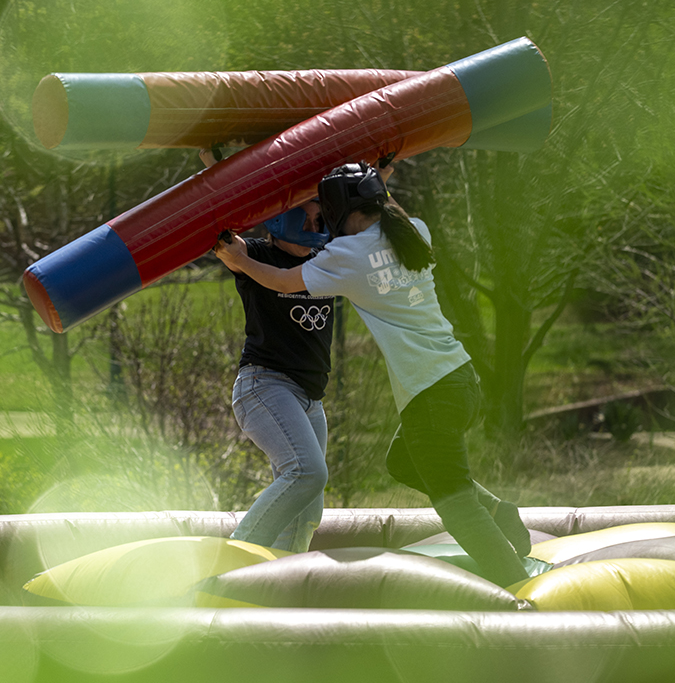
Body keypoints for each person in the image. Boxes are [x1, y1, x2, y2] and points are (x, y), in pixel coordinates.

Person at [215, 162, 531, 587]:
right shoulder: (415, 231)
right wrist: (376, 176)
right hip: (460, 378)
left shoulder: (349, 255)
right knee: (402, 461)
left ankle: (515, 587)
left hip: (429, 395)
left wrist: (238, 259)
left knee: (454, 502)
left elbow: (285, 282)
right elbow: (388, 209)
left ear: (339, 211)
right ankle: (497, 511)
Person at [201, 149, 335, 553]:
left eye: (321, 212)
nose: (317, 220)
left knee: (308, 509)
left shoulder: (328, 260)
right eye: (308, 211)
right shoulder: (257, 255)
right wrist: (216, 166)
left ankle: (278, 588)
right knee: (307, 472)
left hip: (310, 398)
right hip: (265, 385)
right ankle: (233, 561)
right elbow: (224, 236)